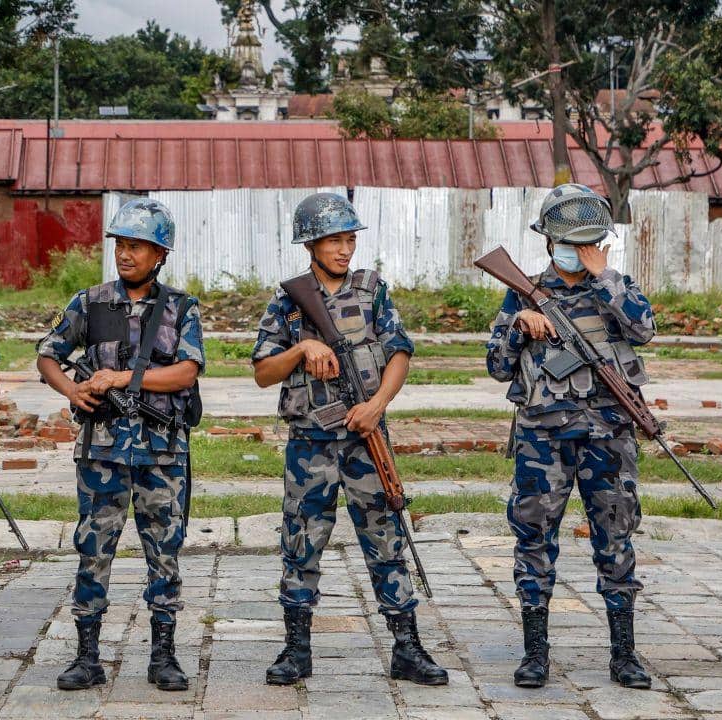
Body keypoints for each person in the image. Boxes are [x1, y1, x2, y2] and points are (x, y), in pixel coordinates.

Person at [252, 192, 447, 687]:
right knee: (301, 543)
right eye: (334, 240)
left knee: (385, 540)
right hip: (310, 444)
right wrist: (302, 347)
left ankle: (407, 647)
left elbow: (400, 352)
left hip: (365, 440)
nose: (344, 249)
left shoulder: (373, 290)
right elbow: (262, 372)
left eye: (349, 239)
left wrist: (376, 404)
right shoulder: (288, 300)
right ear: (310, 244)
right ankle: (296, 650)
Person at [485, 184, 655, 690]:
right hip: (543, 441)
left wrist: (605, 277)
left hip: (609, 437)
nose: (578, 254)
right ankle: (535, 653)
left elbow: (644, 330)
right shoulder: (521, 291)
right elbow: (497, 366)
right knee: (534, 540)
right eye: (570, 244)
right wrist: (520, 324)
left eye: (588, 245)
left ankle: (624, 654)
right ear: (549, 240)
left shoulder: (616, 287)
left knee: (616, 540)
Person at [36, 198, 203, 692]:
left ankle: (164, 657)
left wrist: (124, 377)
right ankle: (87, 656)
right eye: (121, 245)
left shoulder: (181, 307)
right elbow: (48, 355)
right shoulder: (90, 302)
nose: (126, 254)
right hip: (102, 453)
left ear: (160, 254)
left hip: (162, 455)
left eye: (137, 246)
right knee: (93, 551)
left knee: (165, 554)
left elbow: (186, 373)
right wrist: (74, 389)